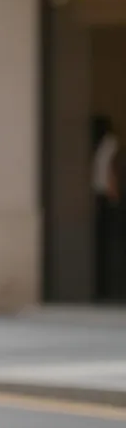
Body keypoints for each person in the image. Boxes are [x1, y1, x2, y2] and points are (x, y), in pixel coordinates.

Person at [92, 116, 121, 301]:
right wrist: (115, 193)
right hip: (107, 197)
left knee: (105, 244)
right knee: (111, 243)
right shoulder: (110, 144)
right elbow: (110, 171)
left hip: (101, 197)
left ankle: (106, 287)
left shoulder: (100, 145)